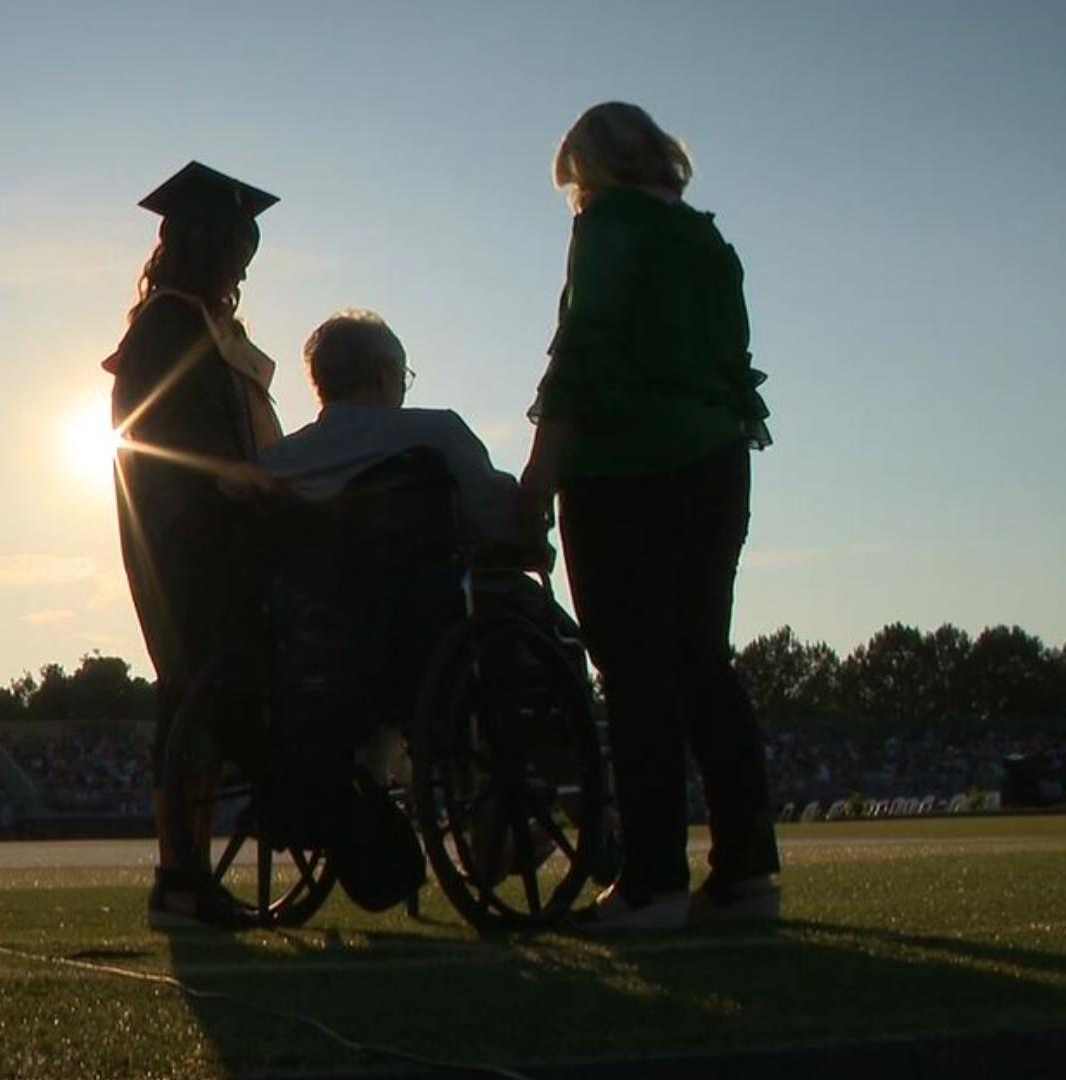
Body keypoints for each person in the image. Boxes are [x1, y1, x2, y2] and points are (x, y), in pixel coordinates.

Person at [519, 102, 781, 929]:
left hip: (624, 466)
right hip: (715, 460)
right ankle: (745, 872)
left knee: (632, 671)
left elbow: (583, 348)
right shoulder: (707, 241)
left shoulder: (607, 229)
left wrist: (537, 476)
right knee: (704, 664)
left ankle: (653, 878)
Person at [105, 161, 283, 927]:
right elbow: (163, 439)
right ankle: (180, 874)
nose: (243, 264)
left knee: (206, 698)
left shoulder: (208, 325)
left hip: (230, 527)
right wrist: (229, 487)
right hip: (191, 533)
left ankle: (189, 872)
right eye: (235, 248)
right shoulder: (167, 327)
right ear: (203, 247)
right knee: (193, 694)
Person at [259, 309, 521, 552]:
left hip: (313, 598)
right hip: (428, 597)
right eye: (403, 374)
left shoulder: (277, 462)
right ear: (382, 375)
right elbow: (501, 524)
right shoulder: (438, 434)